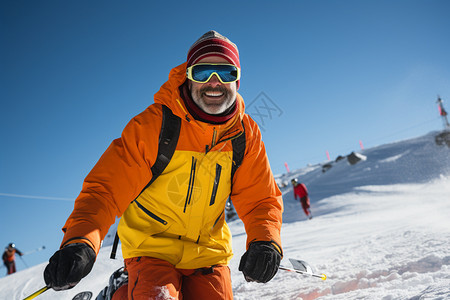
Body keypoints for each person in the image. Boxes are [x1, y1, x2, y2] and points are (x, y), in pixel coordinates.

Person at [44, 30, 283, 299]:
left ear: (237, 80)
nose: (214, 83)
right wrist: (81, 243)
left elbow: (260, 198)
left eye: (226, 73)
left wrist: (266, 241)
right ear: (188, 76)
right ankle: (120, 291)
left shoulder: (245, 134)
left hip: (208, 253)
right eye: (203, 72)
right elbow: (105, 190)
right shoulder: (154, 125)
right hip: (151, 248)